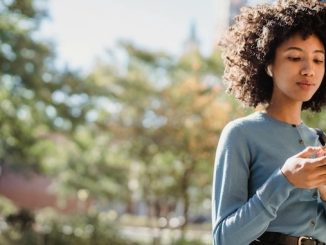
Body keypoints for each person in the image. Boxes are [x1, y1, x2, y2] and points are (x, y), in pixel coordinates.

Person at [211, 1, 326, 244]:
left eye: (318, 60)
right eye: (295, 57)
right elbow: (224, 239)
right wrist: (284, 179)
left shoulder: (320, 141)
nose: (309, 70)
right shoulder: (241, 134)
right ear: (268, 64)